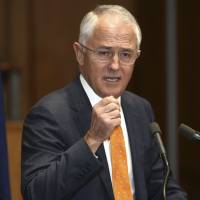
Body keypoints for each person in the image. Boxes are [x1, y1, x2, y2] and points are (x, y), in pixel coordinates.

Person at [21, 5, 187, 200]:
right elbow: (36, 193)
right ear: (80, 53)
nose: (115, 65)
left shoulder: (140, 109)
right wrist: (92, 139)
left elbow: (162, 186)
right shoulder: (48, 114)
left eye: (126, 54)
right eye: (104, 53)